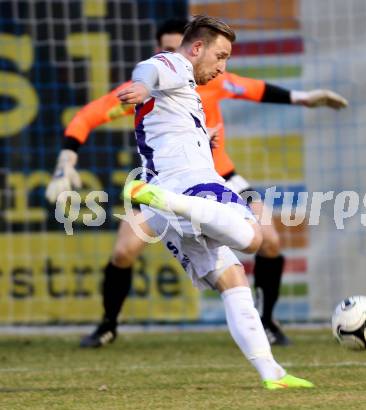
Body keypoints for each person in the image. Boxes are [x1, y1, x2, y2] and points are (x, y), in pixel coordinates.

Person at [46, 18, 347, 348]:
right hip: (165, 182)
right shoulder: (148, 87)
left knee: (270, 240)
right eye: (168, 49)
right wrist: (67, 159)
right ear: (160, 51)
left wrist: (305, 98)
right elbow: (88, 115)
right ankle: (108, 325)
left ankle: (267, 322)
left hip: (222, 177)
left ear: (196, 48)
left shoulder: (215, 79)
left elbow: (257, 89)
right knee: (123, 251)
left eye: (181, 48)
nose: (177, 56)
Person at [115, 14, 316, 389]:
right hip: (188, 188)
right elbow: (149, 68)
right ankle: (168, 201)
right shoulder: (174, 63)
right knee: (255, 239)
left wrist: (201, 139)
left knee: (233, 279)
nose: (222, 68)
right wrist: (141, 86)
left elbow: (164, 127)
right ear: (196, 48)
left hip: (165, 201)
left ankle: (272, 374)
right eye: (220, 56)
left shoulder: (182, 93)